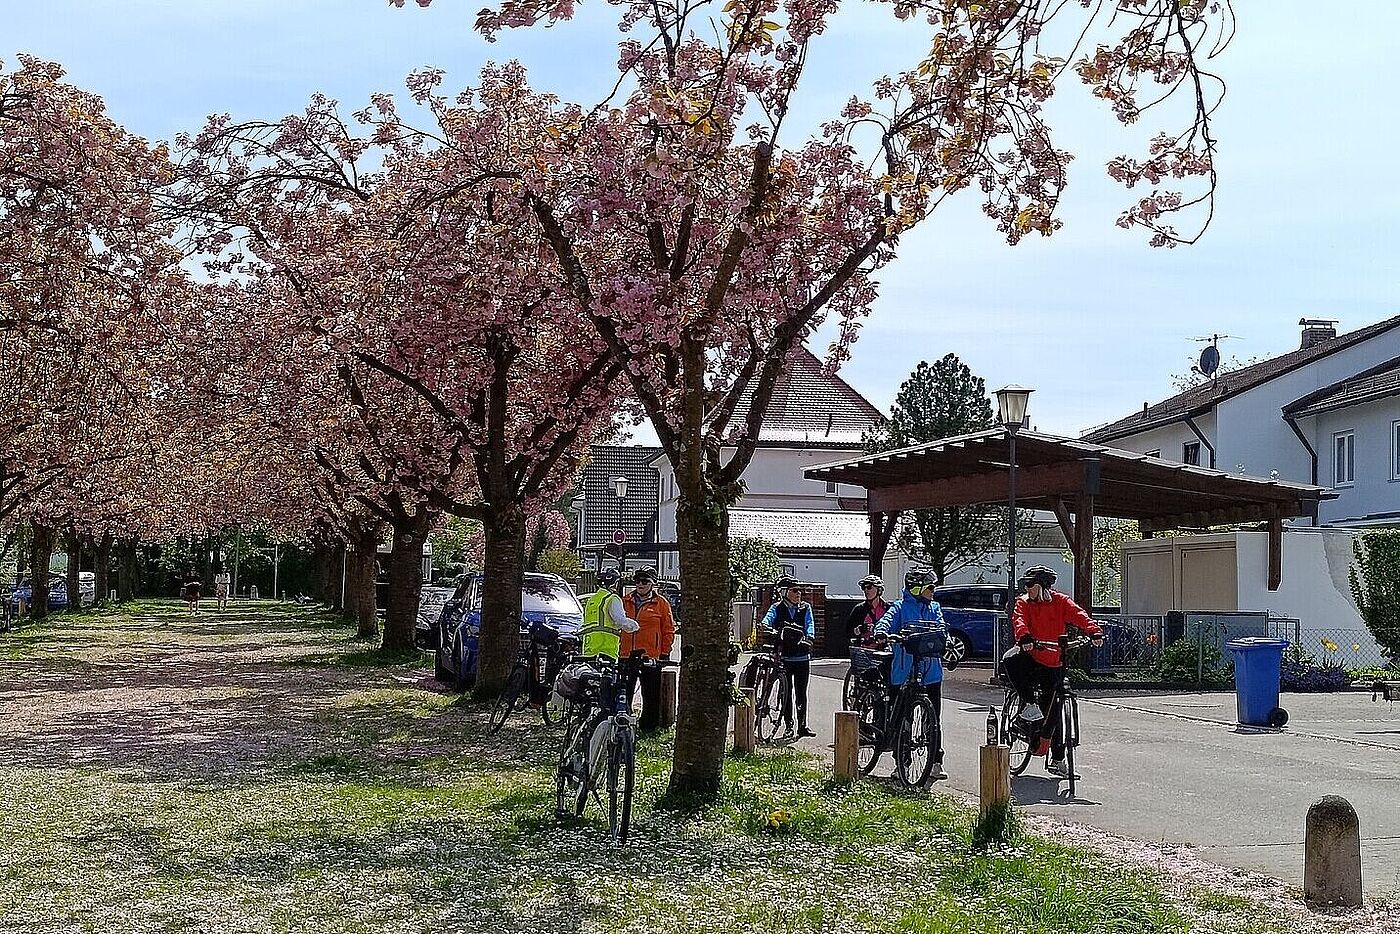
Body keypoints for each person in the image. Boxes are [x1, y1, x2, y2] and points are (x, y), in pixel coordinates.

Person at [1004, 565, 1105, 777]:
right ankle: (1028, 702)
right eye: (1026, 584)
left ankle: (1057, 759)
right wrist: (1024, 637)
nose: (1027, 588)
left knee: (1054, 709)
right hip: (1032, 656)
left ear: (1042, 586)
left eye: (1030, 584)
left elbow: (1079, 615)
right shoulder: (1023, 602)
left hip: (1054, 661)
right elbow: (1019, 620)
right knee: (1010, 659)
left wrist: (1094, 631)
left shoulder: (1061, 601)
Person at [875, 567, 949, 781]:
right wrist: (882, 632)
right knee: (902, 720)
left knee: (933, 718)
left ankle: (936, 761)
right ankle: (901, 764)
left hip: (931, 671)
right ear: (918, 588)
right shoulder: (900, 607)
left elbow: (942, 628)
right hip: (904, 670)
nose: (934, 590)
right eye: (930, 587)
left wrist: (947, 639)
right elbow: (887, 620)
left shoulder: (934, 607)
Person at [758, 576, 816, 738]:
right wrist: (766, 626)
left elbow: (810, 624)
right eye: (794, 590)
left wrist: (809, 637)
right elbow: (768, 619)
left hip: (801, 657)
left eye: (799, 590)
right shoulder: (777, 607)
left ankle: (802, 725)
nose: (799, 593)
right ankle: (789, 725)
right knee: (786, 692)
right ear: (784, 592)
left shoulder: (805, 608)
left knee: (801, 692)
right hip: (784, 657)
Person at [622, 566, 676, 732]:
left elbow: (668, 630)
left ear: (653, 583)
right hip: (626, 654)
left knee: (651, 694)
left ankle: (648, 727)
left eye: (644, 581)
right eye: (637, 580)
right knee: (624, 692)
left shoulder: (661, 604)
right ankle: (623, 724)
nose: (640, 584)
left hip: (650, 655)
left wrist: (665, 652)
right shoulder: (625, 600)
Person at [579, 568, 640, 661]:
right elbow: (620, 620)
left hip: (589, 649)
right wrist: (635, 626)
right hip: (606, 649)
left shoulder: (592, 600)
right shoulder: (612, 598)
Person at [846, 574, 889, 648]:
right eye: (863, 588)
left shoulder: (888, 609)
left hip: (885, 651)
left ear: (879, 590)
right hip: (864, 651)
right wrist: (859, 630)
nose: (866, 591)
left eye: (869, 587)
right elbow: (848, 632)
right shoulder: (859, 609)